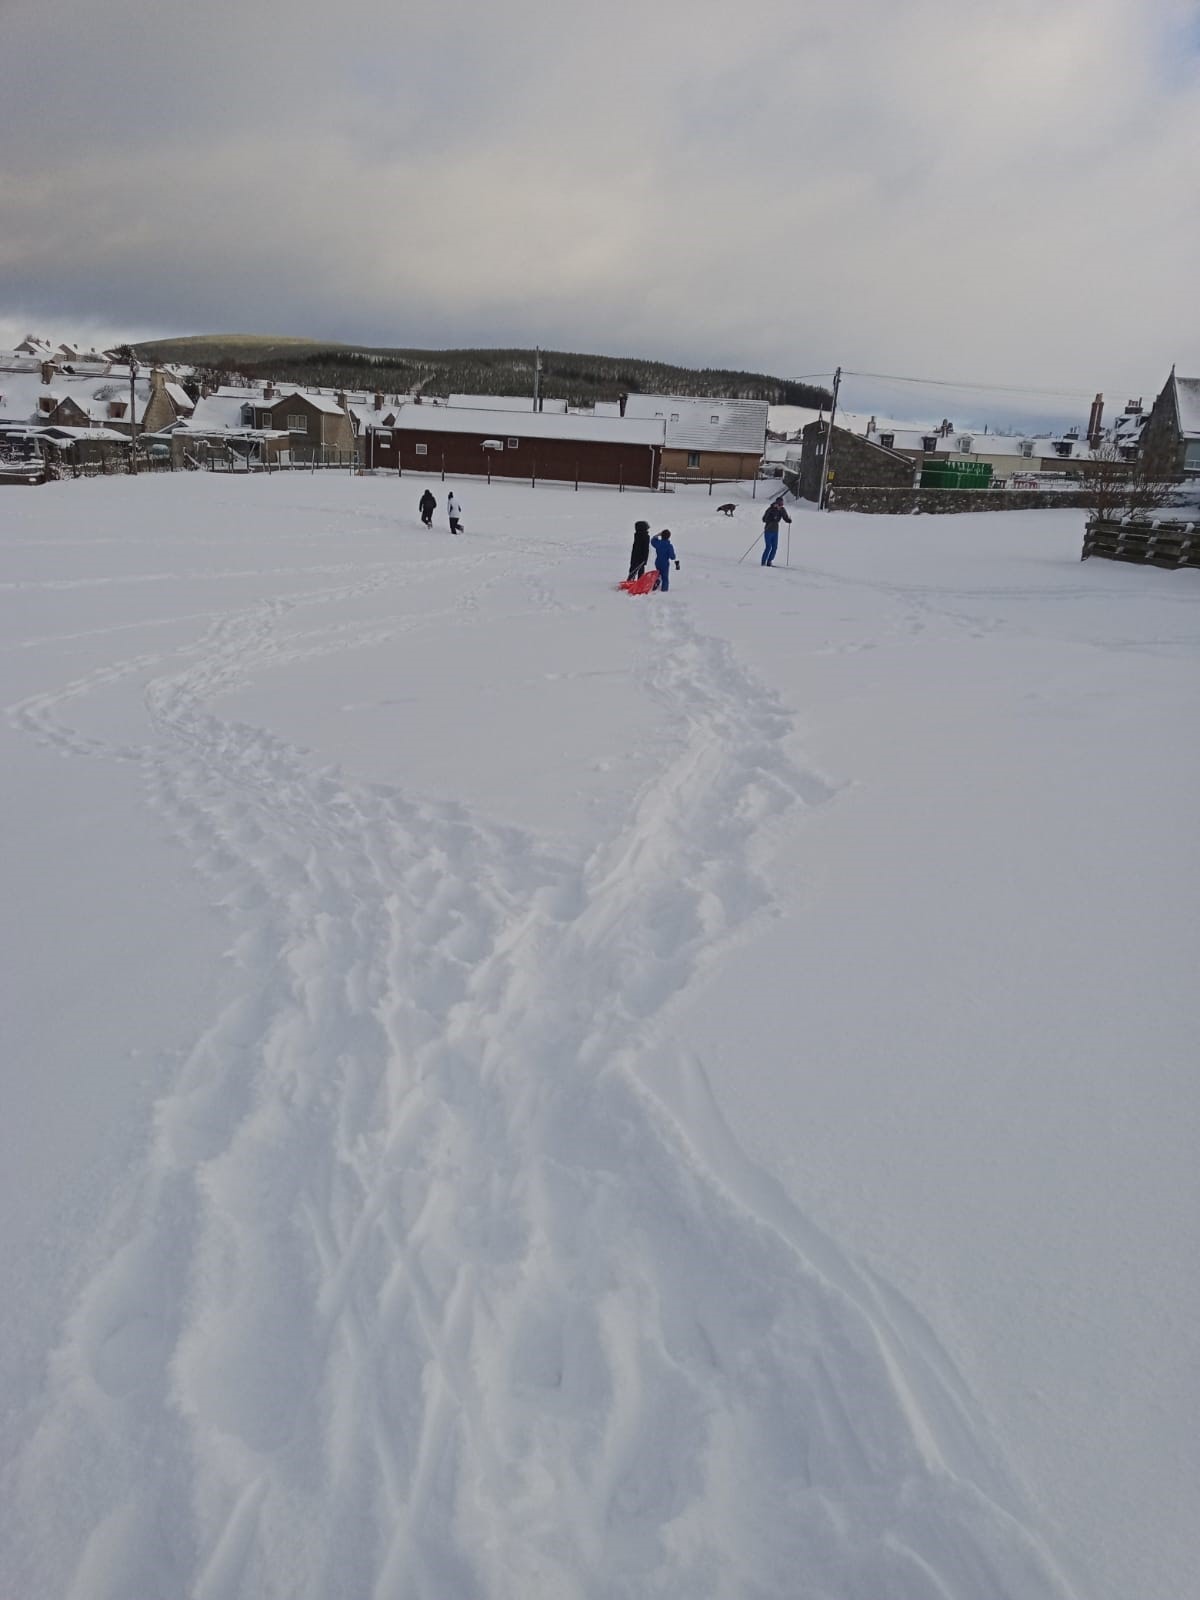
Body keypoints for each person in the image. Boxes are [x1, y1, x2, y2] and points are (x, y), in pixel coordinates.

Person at [761, 496, 791, 566]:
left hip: (775, 531)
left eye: (782, 504)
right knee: (768, 547)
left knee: (774, 547)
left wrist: (788, 520)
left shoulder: (782, 510)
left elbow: (785, 517)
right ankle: (763, 562)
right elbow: (764, 519)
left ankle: (769, 561)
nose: (780, 506)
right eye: (779, 505)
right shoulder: (770, 509)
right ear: (776, 503)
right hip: (768, 530)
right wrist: (770, 518)